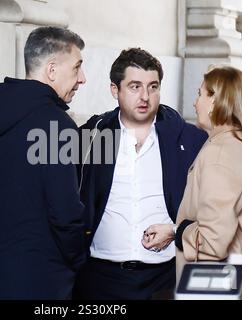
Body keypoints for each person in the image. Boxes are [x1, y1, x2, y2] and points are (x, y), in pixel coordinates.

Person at [74, 48, 208, 300]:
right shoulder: (91, 137)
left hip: (164, 279)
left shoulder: (191, 141)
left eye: (153, 87)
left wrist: (175, 229)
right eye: (135, 86)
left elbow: (212, 212)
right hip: (99, 278)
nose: (145, 96)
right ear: (115, 90)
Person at [0, 26, 87, 299]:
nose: (82, 78)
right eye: (77, 67)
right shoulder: (57, 125)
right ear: (52, 70)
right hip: (42, 279)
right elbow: (65, 212)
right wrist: (79, 259)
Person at [142, 66, 242, 281]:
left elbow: (212, 242)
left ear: (214, 101)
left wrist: (175, 231)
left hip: (224, 286)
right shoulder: (240, 145)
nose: (195, 103)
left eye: (200, 94)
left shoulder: (219, 154)